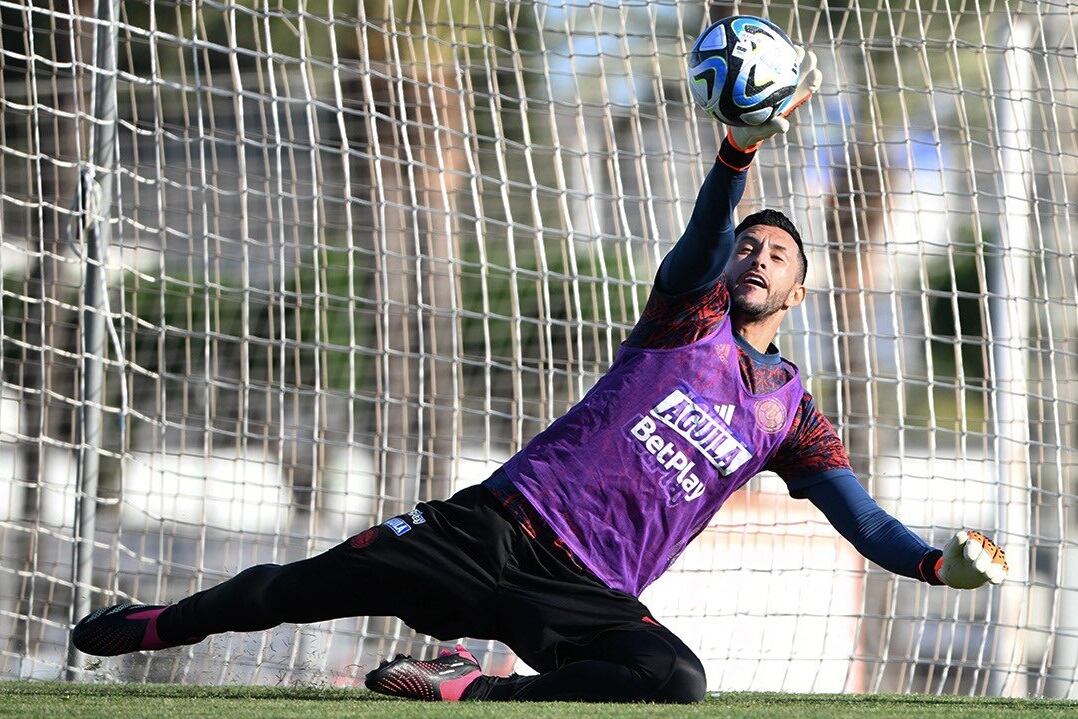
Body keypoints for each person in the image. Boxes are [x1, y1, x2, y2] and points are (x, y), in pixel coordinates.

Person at [71, 48, 1007, 703]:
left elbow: (865, 521)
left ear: (801, 291)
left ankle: (478, 688)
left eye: (779, 252)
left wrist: (932, 562)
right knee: (288, 589)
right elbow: (697, 243)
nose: (759, 255)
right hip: (492, 528)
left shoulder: (793, 412)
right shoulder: (690, 315)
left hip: (584, 592)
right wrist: (738, 148)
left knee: (674, 680)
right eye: (750, 244)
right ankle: (152, 625)